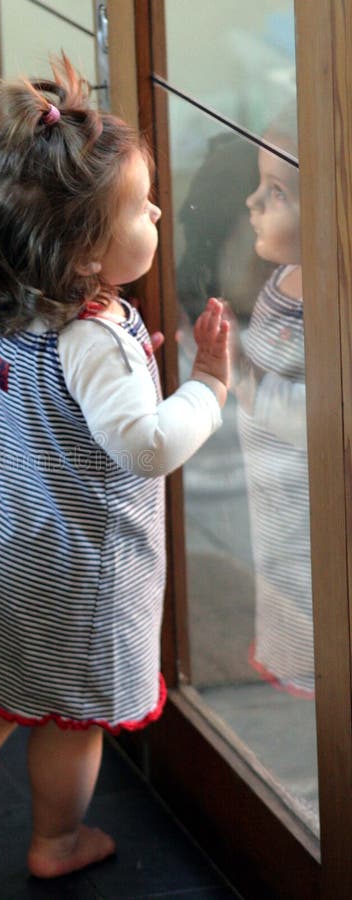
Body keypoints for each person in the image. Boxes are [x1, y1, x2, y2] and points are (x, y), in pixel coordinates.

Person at [0, 54, 229, 879]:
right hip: (78, 562)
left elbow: (66, 404)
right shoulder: (93, 334)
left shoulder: (17, 301)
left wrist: (134, 364)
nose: (159, 209)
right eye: (140, 206)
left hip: (7, 532)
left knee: (3, 666)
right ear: (87, 253)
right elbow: (146, 445)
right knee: (71, 715)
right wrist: (204, 387)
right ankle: (56, 841)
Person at [230, 110, 313, 697]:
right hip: (273, 502)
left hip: (316, 513)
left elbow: (325, 417)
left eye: (276, 192)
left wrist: (243, 378)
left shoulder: (332, 303)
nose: (252, 201)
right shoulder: (283, 278)